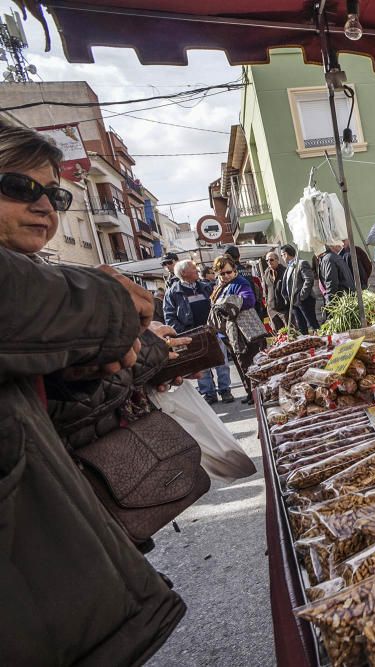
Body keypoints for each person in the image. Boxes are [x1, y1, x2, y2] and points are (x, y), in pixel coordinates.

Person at [0, 120, 185, 663]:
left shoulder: (38, 289)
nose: (44, 207)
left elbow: (50, 411)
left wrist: (139, 357)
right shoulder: (34, 292)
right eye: (18, 187)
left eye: (54, 194)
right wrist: (117, 313)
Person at [165, 259, 234, 404]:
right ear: (183, 273)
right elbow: (169, 316)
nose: (197, 271)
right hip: (191, 335)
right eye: (194, 269)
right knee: (200, 365)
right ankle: (208, 393)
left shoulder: (206, 287)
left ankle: (225, 390)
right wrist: (183, 333)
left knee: (221, 361)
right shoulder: (173, 293)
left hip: (212, 330)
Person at [210, 255, 264, 403]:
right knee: (241, 364)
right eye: (222, 273)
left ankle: (257, 394)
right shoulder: (220, 286)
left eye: (229, 272)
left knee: (249, 363)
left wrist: (226, 304)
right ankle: (250, 393)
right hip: (229, 333)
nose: (226, 275)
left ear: (234, 270)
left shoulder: (240, 282)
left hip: (244, 332)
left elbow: (249, 300)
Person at [279, 243, 320, 332]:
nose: (282, 257)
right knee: (302, 327)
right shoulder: (288, 267)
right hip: (294, 303)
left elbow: (309, 279)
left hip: (304, 300)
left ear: (286, 254)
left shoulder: (301, 263)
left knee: (313, 324)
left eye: (282, 255)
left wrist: (301, 296)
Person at [262, 251, 289, 331]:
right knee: (277, 332)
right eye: (267, 260)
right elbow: (265, 289)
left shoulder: (284, 271)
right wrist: (267, 303)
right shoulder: (266, 273)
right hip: (272, 309)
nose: (269, 262)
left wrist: (287, 301)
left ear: (277, 260)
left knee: (289, 331)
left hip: (283, 308)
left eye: (271, 260)